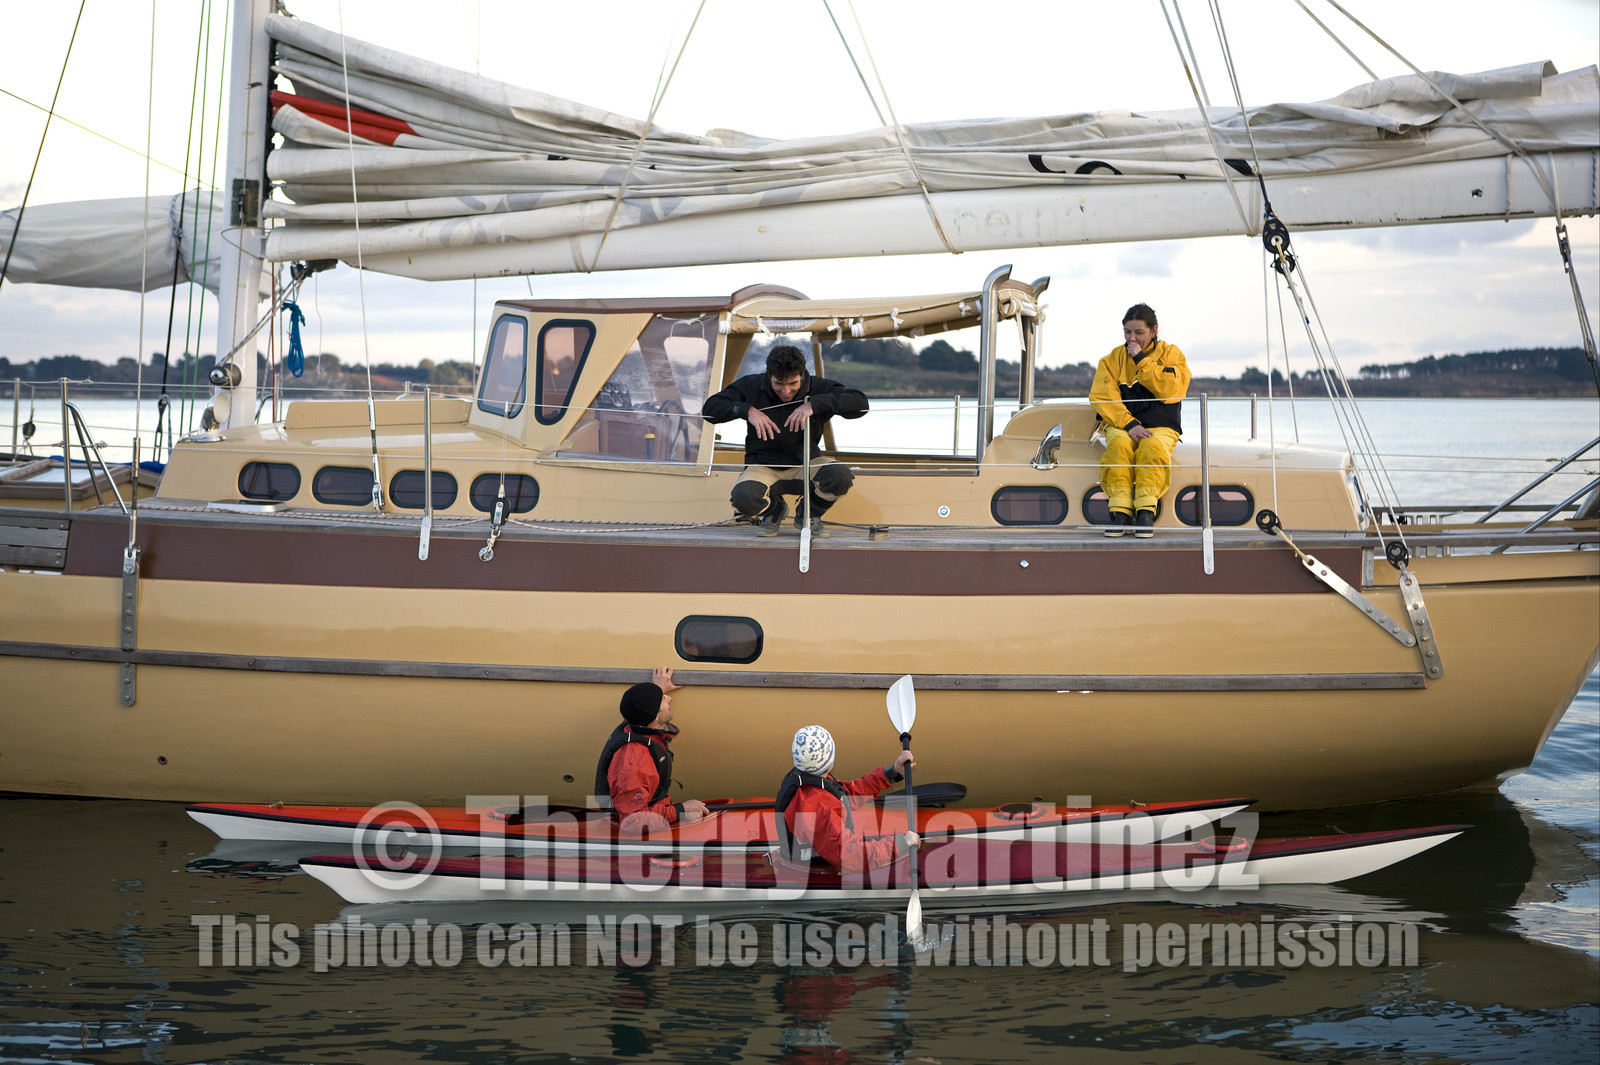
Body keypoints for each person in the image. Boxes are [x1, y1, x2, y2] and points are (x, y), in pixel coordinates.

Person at [702, 344, 868, 538]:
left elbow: (860, 403)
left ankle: (809, 514)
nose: (786, 391)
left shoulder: (818, 387)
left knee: (840, 476)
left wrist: (815, 404)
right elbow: (710, 410)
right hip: (764, 466)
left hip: (807, 463)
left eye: (793, 384)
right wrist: (747, 410)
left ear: (803, 374)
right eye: (778, 383)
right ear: (769, 375)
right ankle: (774, 512)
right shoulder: (750, 385)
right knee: (743, 498)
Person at [1088, 303, 1192, 537]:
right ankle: (1120, 512)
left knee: (1152, 447)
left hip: (1162, 426)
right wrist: (1130, 425)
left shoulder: (1172, 354)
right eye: (1127, 332)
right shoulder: (1111, 360)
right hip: (1123, 425)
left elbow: (1172, 390)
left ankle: (1146, 511)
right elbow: (1102, 397)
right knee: (1119, 447)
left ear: (1154, 331)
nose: (1132, 338)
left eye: (1139, 333)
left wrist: (1141, 360)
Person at [775, 725, 920, 875]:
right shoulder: (822, 807)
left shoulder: (807, 779)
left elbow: (847, 794)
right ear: (829, 762)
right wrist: (901, 844)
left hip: (821, 847)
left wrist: (891, 773)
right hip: (818, 871)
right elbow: (849, 858)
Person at [594, 667, 709, 831]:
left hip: (651, 810)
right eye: (663, 700)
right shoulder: (635, 762)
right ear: (655, 716)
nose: (669, 699)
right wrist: (680, 811)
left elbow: (641, 705)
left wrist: (658, 687)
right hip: (633, 824)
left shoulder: (636, 721)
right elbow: (632, 822)